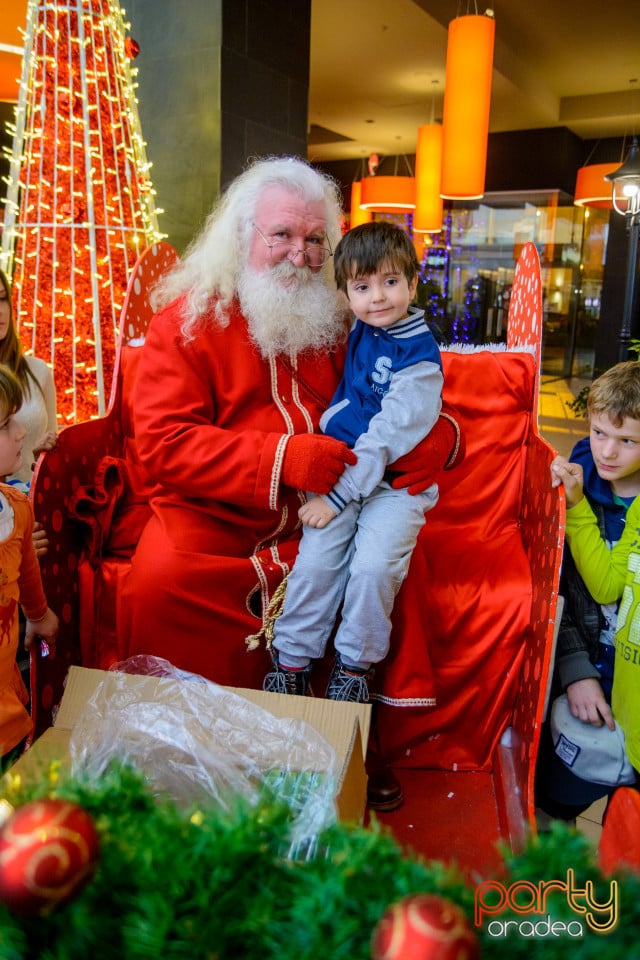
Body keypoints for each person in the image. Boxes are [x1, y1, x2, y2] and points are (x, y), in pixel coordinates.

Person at [120, 156, 461, 807]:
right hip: (215, 523)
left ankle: (355, 741)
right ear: (243, 236)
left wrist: (441, 437)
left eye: (314, 240)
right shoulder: (186, 324)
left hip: (337, 511)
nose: (300, 255)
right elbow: (164, 445)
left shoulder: (353, 317)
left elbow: (416, 387)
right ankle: (190, 747)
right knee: (158, 580)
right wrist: (284, 459)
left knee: (391, 567)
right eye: (282, 235)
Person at [262, 221, 442, 703]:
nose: (378, 297)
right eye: (362, 287)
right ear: (345, 294)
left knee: (373, 569)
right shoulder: (363, 325)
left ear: (412, 283)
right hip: (346, 471)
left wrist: (338, 496)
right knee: (317, 562)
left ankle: (355, 667)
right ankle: (292, 661)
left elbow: (385, 438)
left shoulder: (419, 360)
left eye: (390, 282)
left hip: (392, 485)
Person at [535, 361, 640, 821]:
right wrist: (576, 669)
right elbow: (558, 585)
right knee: (553, 804)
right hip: (586, 681)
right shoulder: (573, 485)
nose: (608, 452)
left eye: (628, 440)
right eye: (599, 433)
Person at [0, 365, 59, 772]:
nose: (21, 432)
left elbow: (26, 570)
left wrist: (38, 615)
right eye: (6, 425)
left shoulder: (16, 507)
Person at [0, 268, 58, 495]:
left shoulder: (38, 370)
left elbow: (54, 454)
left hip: (33, 505)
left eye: (2, 298)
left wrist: (39, 460)